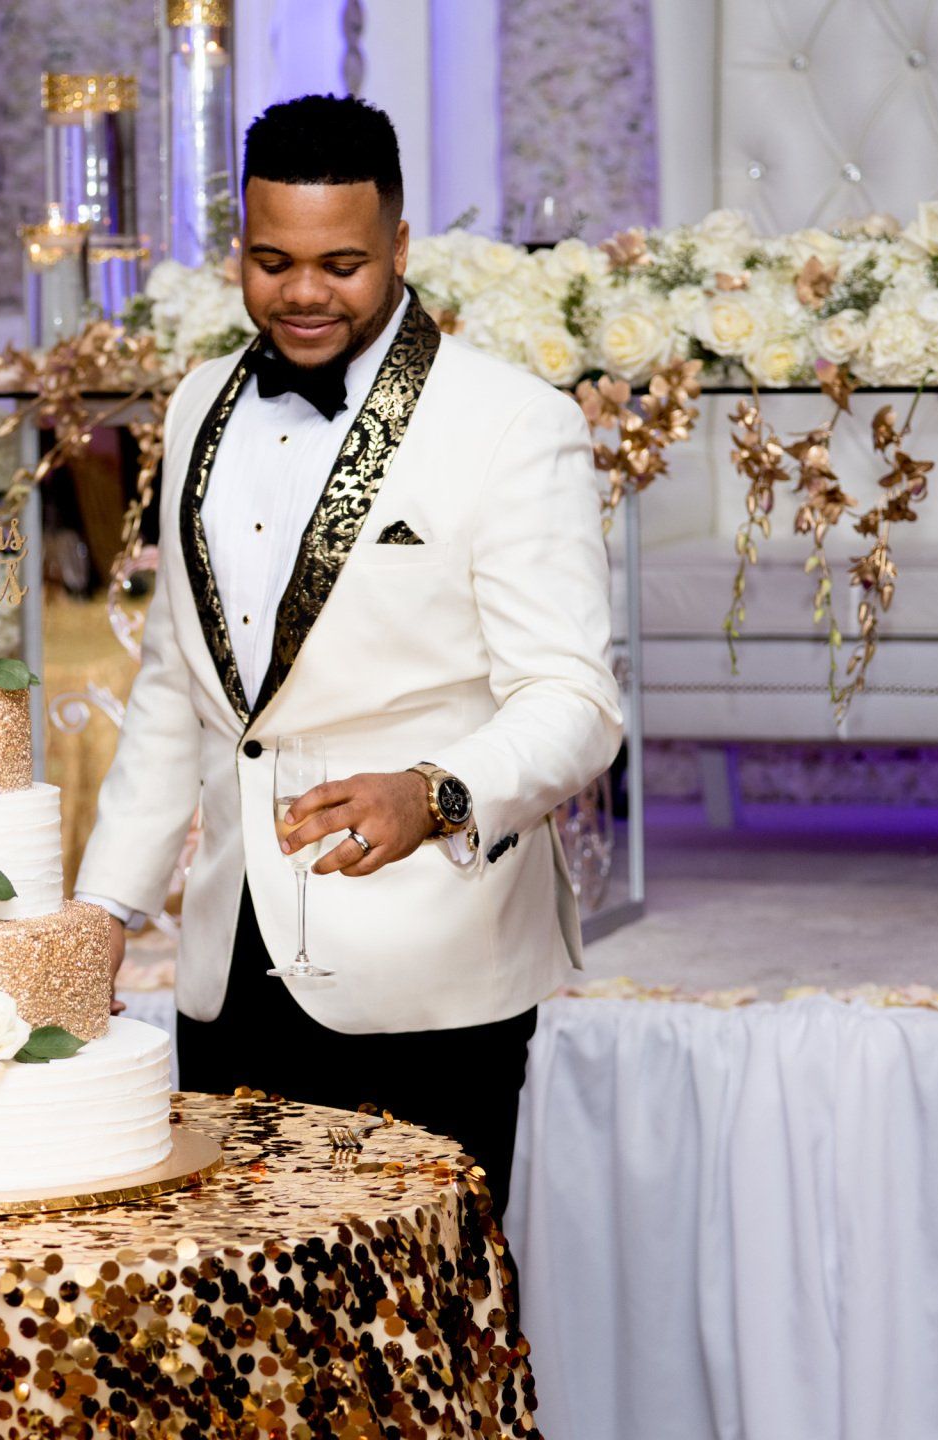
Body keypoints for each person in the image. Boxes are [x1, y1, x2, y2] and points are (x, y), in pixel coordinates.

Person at [76, 95, 622, 1214]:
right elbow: (179, 684)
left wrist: (439, 791)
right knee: (239, 1339)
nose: (305, 294)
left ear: (402, 248)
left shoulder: (511, 423)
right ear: (240, 251)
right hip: (228, 972)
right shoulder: (196, 406)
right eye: (273, 262)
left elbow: (574, 700)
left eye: (342, 263)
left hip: (429, 970)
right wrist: (107, 910)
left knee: (421, 1337)